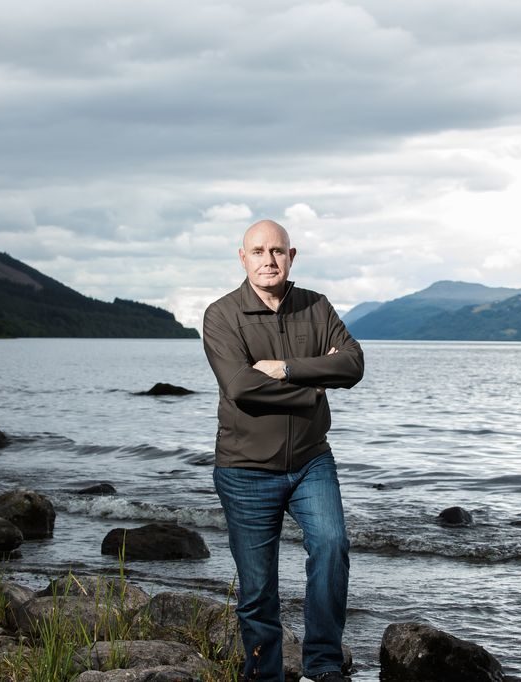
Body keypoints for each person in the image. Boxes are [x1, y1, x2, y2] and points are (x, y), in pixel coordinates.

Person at [203, 219, 364, 682]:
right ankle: (264, 675)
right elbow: (240, 386)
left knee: (333, 547)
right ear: (242, 257)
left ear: (292, 257)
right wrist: (315, 384)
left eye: (277, 251)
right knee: (258, 590)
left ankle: (323, 665)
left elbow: (352, 365)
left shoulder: (316, 305)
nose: (268, 260)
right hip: (245, 470)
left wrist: (287, 368)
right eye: (258, 252)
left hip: (312, 461)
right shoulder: (222, 315)